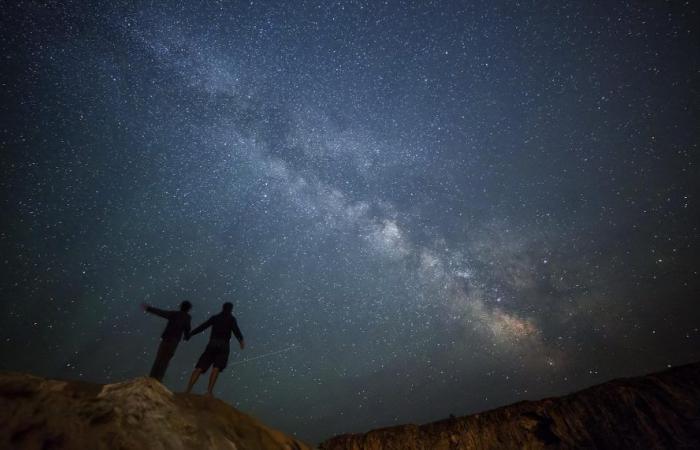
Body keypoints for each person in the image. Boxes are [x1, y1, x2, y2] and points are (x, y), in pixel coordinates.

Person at [185, 302, 245, 396]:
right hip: (224, 345)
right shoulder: (231, 319)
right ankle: (209, 391)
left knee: (200, 366)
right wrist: (241, 340)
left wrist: (191, 333)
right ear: (231, 309)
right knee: (216, 368)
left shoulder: (215, 317)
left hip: (212, 343)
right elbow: (236, 330)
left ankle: (188, 389)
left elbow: (203, 326)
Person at [142, 300, 192, 382]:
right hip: (174, 341)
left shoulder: (174, 314)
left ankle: (151, 377)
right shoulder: (187, 317)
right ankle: (158, 379)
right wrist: (187, 337)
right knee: (165, 360)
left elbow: (161, 312)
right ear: (188, 309)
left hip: (166, 339)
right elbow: (187, 329)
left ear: (180, 306)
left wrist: (149, 309)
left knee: (159, 358)